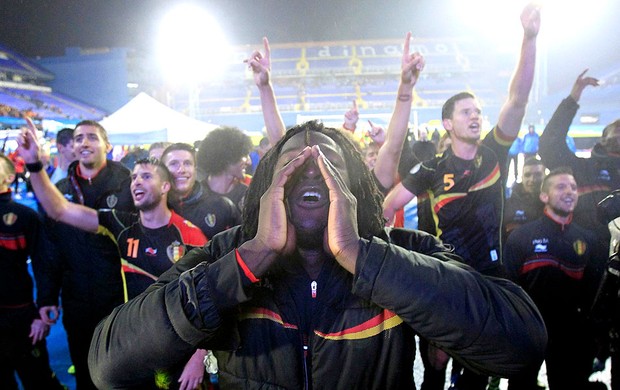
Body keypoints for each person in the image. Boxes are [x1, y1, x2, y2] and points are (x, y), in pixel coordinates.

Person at [89, 120, 547, 389]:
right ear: (270, 182)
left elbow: (521, 345)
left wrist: (361, 256)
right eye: (294, 163)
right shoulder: (227, 255)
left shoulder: (405, 253)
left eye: (328, 164)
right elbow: (107, 364)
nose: (312, 172)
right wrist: (248, 261)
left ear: (354, 187)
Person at [382, 5, 540, 388]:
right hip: (449, 278)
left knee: (479, 371)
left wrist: (529, 38)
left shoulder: (494, 153)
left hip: (491, 276)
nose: (476, 116)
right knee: (435, 364)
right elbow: (387, 205)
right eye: (466, 111)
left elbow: (517, 100)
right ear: (447, 123)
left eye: (479, 111)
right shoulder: (432, 170)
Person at [19, 118, 134, 390]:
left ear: (107, 145)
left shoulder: (129, 187)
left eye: (92, 137)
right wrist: (47, 297)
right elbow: (50, 250)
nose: (84, 143)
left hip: (120, 299)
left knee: (123, 374)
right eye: (79, 138)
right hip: (76, 299)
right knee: (84, 373)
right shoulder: (60, 192)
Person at [503, 167, 605, 390]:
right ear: (544, 196)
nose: (569, 192)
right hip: (529, 331)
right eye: (561, 187)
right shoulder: (522, 236)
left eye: (573, 188)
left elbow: (593, 293)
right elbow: (509, 286)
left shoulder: (588, 239)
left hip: (570, 334)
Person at [539, 68, 619, 271]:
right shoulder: (582, 169)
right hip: (585, 261)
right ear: (603, 139)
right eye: (617, 128)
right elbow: (550, 144)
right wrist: (572, 99)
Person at [0, 154, 65, 390]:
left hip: (20, 317)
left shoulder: (25, 216)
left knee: (37, 380)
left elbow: (44, 262)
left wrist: (42, 310)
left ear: (9, 177)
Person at [162, 142, 242, 240]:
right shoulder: (153, 209)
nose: (181, 170)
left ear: (195, 169)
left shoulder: (222, 206)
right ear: (163, 171)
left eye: (187, 163)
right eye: (174, 164)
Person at [196, 127, 253, 213]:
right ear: (227, 157)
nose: (249, 162)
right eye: (244, 155)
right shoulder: (196, 195)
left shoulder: (249, 195)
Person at [503, 157, 546, 239]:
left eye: (538, 174)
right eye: (527, 175)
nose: (532, 179)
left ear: (545, 175)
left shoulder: (554, 202)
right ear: (522, 177)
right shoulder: (507, 204)